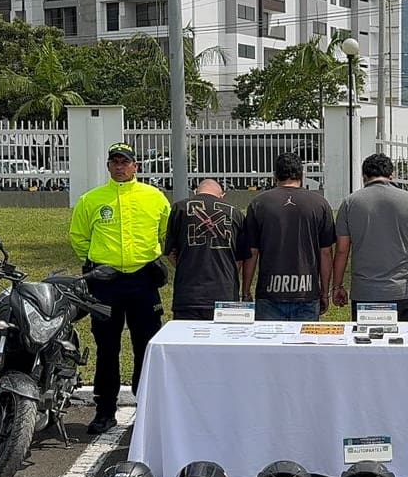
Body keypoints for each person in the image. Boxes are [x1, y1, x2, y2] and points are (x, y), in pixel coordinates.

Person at [69, 142, 171, 435]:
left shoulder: (154, 197)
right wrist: (96, 264)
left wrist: (157, 257)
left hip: (143, 280)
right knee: (107, 348)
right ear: (109, 167)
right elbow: (78, 237)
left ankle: (148, 408)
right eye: (114, 162)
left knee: (146, 347)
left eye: (125, 162)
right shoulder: (92, 200)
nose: (119, 166)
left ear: (135, 166)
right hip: (106, 283)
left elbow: (166, 232)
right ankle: (104, 410)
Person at [331, 153, 408, 322]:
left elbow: (342, 250)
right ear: (392, 176)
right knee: (401, 344)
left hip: (365, 291)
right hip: (402, 290)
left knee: (366, 345)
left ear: (364, 177)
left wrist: (337, 286)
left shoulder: (350, 203)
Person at [242, 152, 336, 320]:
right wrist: (324, 292)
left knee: (270, 345)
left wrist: (245, 290)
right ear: (302, 175)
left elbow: (252, 252)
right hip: (307, 292)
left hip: (269, 293)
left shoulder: (259, 203)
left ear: (275, 176)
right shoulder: (319, 204)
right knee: (304, 345)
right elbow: (326, 252)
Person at [164, 178, 250, 320]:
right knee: (221, 341)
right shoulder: (236, 214)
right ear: (222, 195)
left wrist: (185, 267)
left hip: (188, 294)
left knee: (187, 340)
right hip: (225, 293)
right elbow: (240, 258)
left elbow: (170, 252)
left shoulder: (180, 208)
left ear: (196, 192)